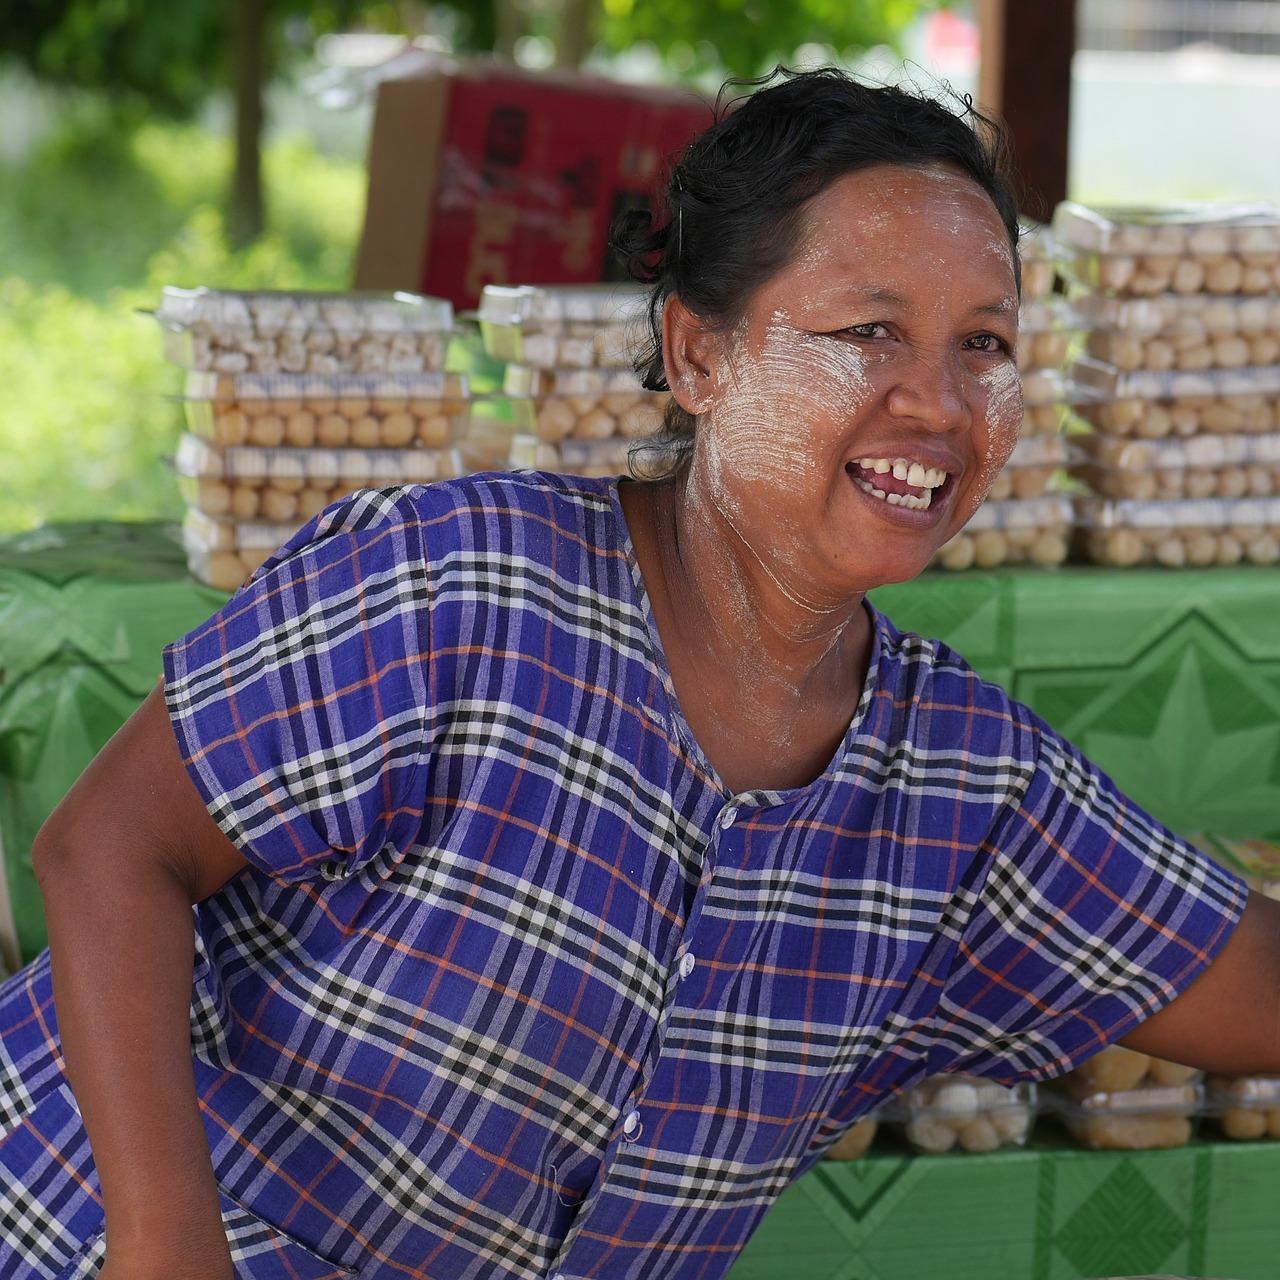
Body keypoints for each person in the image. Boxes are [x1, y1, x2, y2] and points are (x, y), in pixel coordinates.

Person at [5, 66, 1278, 1280]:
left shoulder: (964, 795)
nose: (938, 402)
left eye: (984, 343)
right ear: (697, 356)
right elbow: (110, 845)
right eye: (869, 330)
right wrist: (165, 1242)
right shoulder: (464, 584)